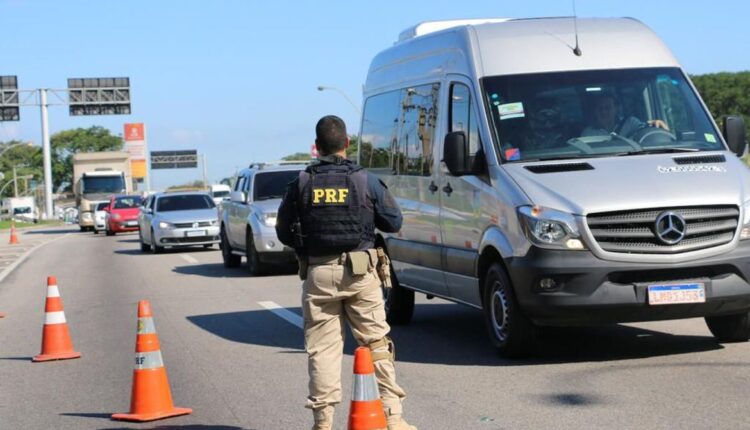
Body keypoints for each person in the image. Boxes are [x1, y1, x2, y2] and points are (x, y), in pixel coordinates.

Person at [276, 115, 416, 430]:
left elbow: (283, 232)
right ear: (347, 143)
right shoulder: (365, 180)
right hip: (361, 273)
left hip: (318, 273)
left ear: (316, 147)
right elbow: (394, 222)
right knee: (376, 344)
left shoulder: (301, 182)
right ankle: (394, 419)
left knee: (323, 352)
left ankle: (322, 424)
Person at [582, 92, 669, 138]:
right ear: (595, 111)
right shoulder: (588, 133)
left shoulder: (631, 123)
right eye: (600, 108)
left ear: (616, 109)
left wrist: (655, 124)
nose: (604, 112)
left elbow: (646, 132)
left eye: (608, 108)